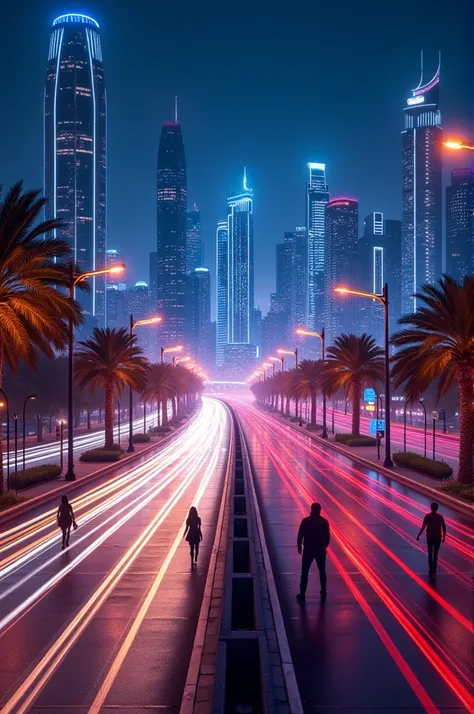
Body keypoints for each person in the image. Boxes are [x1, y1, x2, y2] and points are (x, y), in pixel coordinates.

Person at [296, 503, 330, 602]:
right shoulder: (324, 522)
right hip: (320, 550)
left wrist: (299, 546)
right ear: (319, 510)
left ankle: (302, 592)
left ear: (311, 509)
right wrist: (324, 547)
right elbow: (327, 536)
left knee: (305, 572)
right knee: (322, 571)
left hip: (308, 549)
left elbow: (300, 534)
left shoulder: (306, 521)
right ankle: (323, 590)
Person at [416, 502, 446, 575]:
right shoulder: (440, 517)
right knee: (435, 553)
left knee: (430, 552)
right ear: (437, 508)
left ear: (431, 508)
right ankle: (434, 568)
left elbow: (423, 526)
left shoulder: (427, 516)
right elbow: (444, 527)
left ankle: (430, 567)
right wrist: (444, 537)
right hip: (438, 537)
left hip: (430, 537)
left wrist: (418, 535)